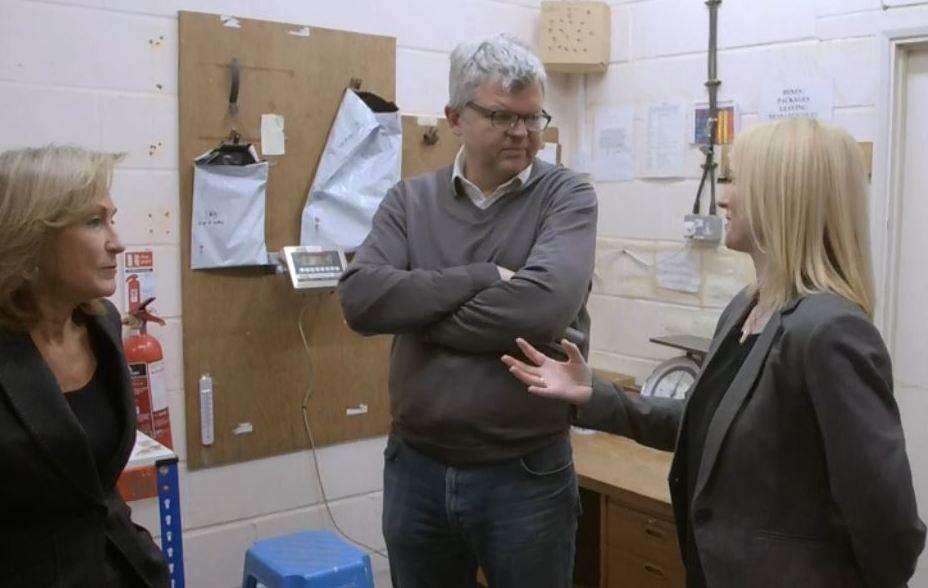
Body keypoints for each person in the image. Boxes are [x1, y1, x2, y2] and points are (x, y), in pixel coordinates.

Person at [503, 118, 926, 587]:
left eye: (737, 180)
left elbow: (890, 525)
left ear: (783, 196)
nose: (722, 197)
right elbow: (706, 424)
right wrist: (592, 396)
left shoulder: (831, 331)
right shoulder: (747, 307)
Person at [338, 34, 597, 587]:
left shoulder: (567, 197)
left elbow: (538, 312)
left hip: (525, 474)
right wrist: (480, 277)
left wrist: (416, 313)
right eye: (503, 117)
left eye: (533, 118)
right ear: (455, 117)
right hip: (416, 471)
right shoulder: (408, 202)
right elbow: (360, 299)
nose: (523, 134)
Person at [0, 145, 170, 587]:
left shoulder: (102, 323)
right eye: (95, 222)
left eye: (111, 218)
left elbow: (97, 488)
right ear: (31, 236)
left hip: (121, 567)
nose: (117, 241)